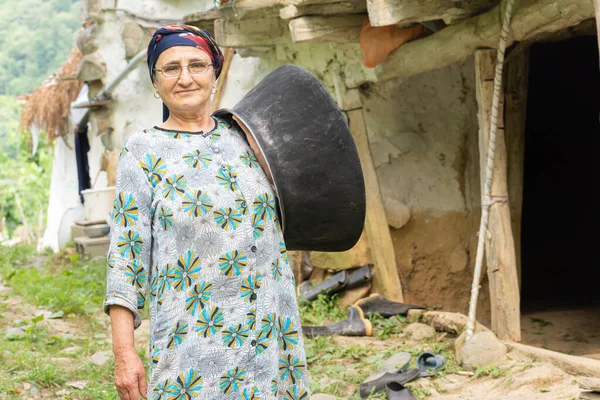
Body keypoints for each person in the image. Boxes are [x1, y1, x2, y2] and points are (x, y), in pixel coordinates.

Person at [103, 25, 310, 400]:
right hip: (193, 346)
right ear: (155, 82)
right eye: (171, 68)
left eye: (197, 65)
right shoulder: (143, 151)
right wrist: (124, 353)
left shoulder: (248, 138)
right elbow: (126, 260)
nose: (185, 78)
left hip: (267, 336)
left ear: (215, 73)